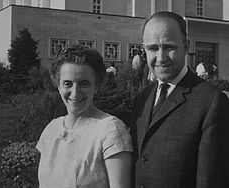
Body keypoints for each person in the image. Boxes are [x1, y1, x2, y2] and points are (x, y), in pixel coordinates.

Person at [130, 11, 229, 188]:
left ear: (186, 46)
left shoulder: (211, 101)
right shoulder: (141, 99)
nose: (161, 58)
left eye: (169, 47)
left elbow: (210, 179)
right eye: (153, 48)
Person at [36, 44, 133, 188]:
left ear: (97, 86)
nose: (75, 93)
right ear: (58, 86)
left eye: (84, 84)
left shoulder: (111, 131)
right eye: (67, 83)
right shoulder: (52, 129)